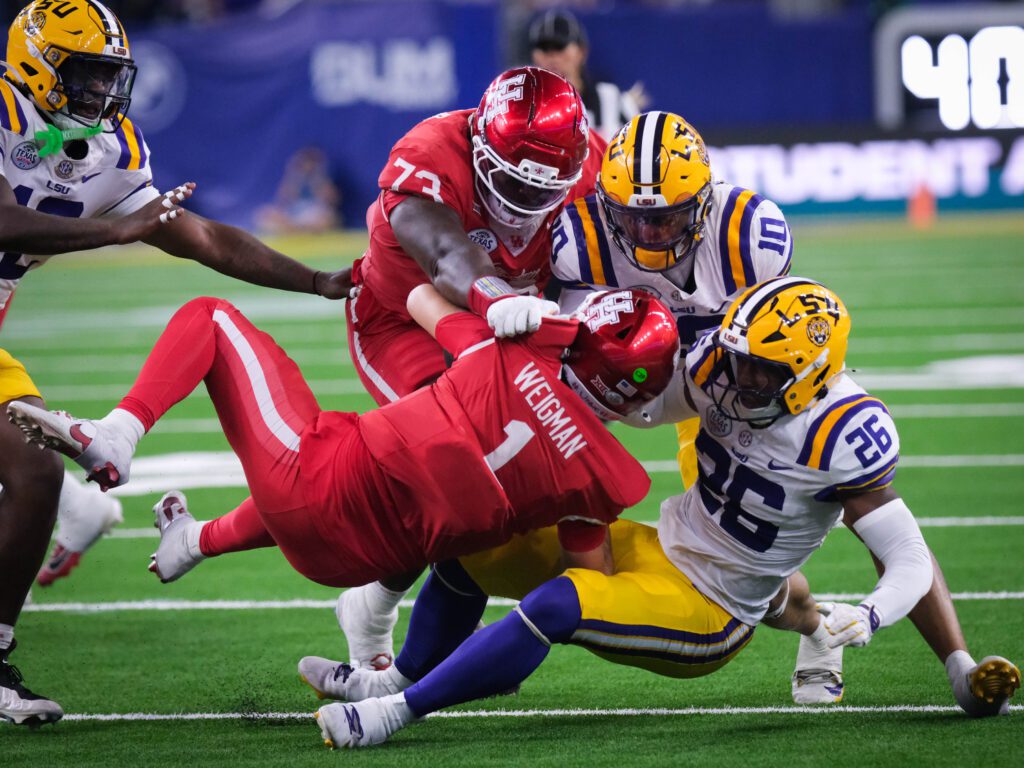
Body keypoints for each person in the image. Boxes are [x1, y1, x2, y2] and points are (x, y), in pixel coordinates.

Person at [297, 277, 1020, 750]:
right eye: (738, 359)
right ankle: (397, 675)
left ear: (809, 379)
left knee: (561, 602)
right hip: (664, 543)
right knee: (478, 537)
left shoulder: (840, 436)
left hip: (709, 610)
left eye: (764, 372)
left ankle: (397, 713)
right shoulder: (720, 367)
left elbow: (909, 560)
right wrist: (555, 349)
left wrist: (916, 644)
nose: (740, 380)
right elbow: (625, 399)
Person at [337, 110, 793, 669]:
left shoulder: (748, 238)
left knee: (752, 543)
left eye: (666, 220)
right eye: (634, 220)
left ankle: (813, 624)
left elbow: (588, 582)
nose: (650, 236)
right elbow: (424, 294)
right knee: (468, 474)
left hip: (683, 374)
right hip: (465, 317)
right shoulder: (575, 241)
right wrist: (497, 308)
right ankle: (383, 616)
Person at [0, 0, 350, 726]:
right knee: (34, 475)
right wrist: (113, 233)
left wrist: (316, 281)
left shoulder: (108, 152)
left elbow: (209, 241)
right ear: (35, 63)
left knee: (32, 475)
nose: (100, 94)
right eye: (84, 76)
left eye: (107, 78)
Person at [8, 284, 679, 595]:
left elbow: (411, 293)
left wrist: (495, 300)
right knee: (378, 490)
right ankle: (197, 541)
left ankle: (118, 436)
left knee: (209, 319)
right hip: (348, 568)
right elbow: (591, 589)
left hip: (308, 486)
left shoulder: (494, 351)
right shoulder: (606, 485)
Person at [528, 9, 641, 141]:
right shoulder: (525, 106)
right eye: (544, 48)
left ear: (582, 51)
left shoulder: (612, 99)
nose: (552, 55)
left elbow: (636, 152)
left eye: (560, 46)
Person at [255, 146, 341, 234]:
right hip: (295, 214)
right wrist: (291, 177)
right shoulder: (294, 179)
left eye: (311, 163)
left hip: (315, 213)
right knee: (264, 214)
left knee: (328, 219)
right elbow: (283, 200)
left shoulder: (324, 179)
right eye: (305, 163)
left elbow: (333, 201)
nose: (308, 166)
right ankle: (297, 229)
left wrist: (318, 182)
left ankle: (296, 229)